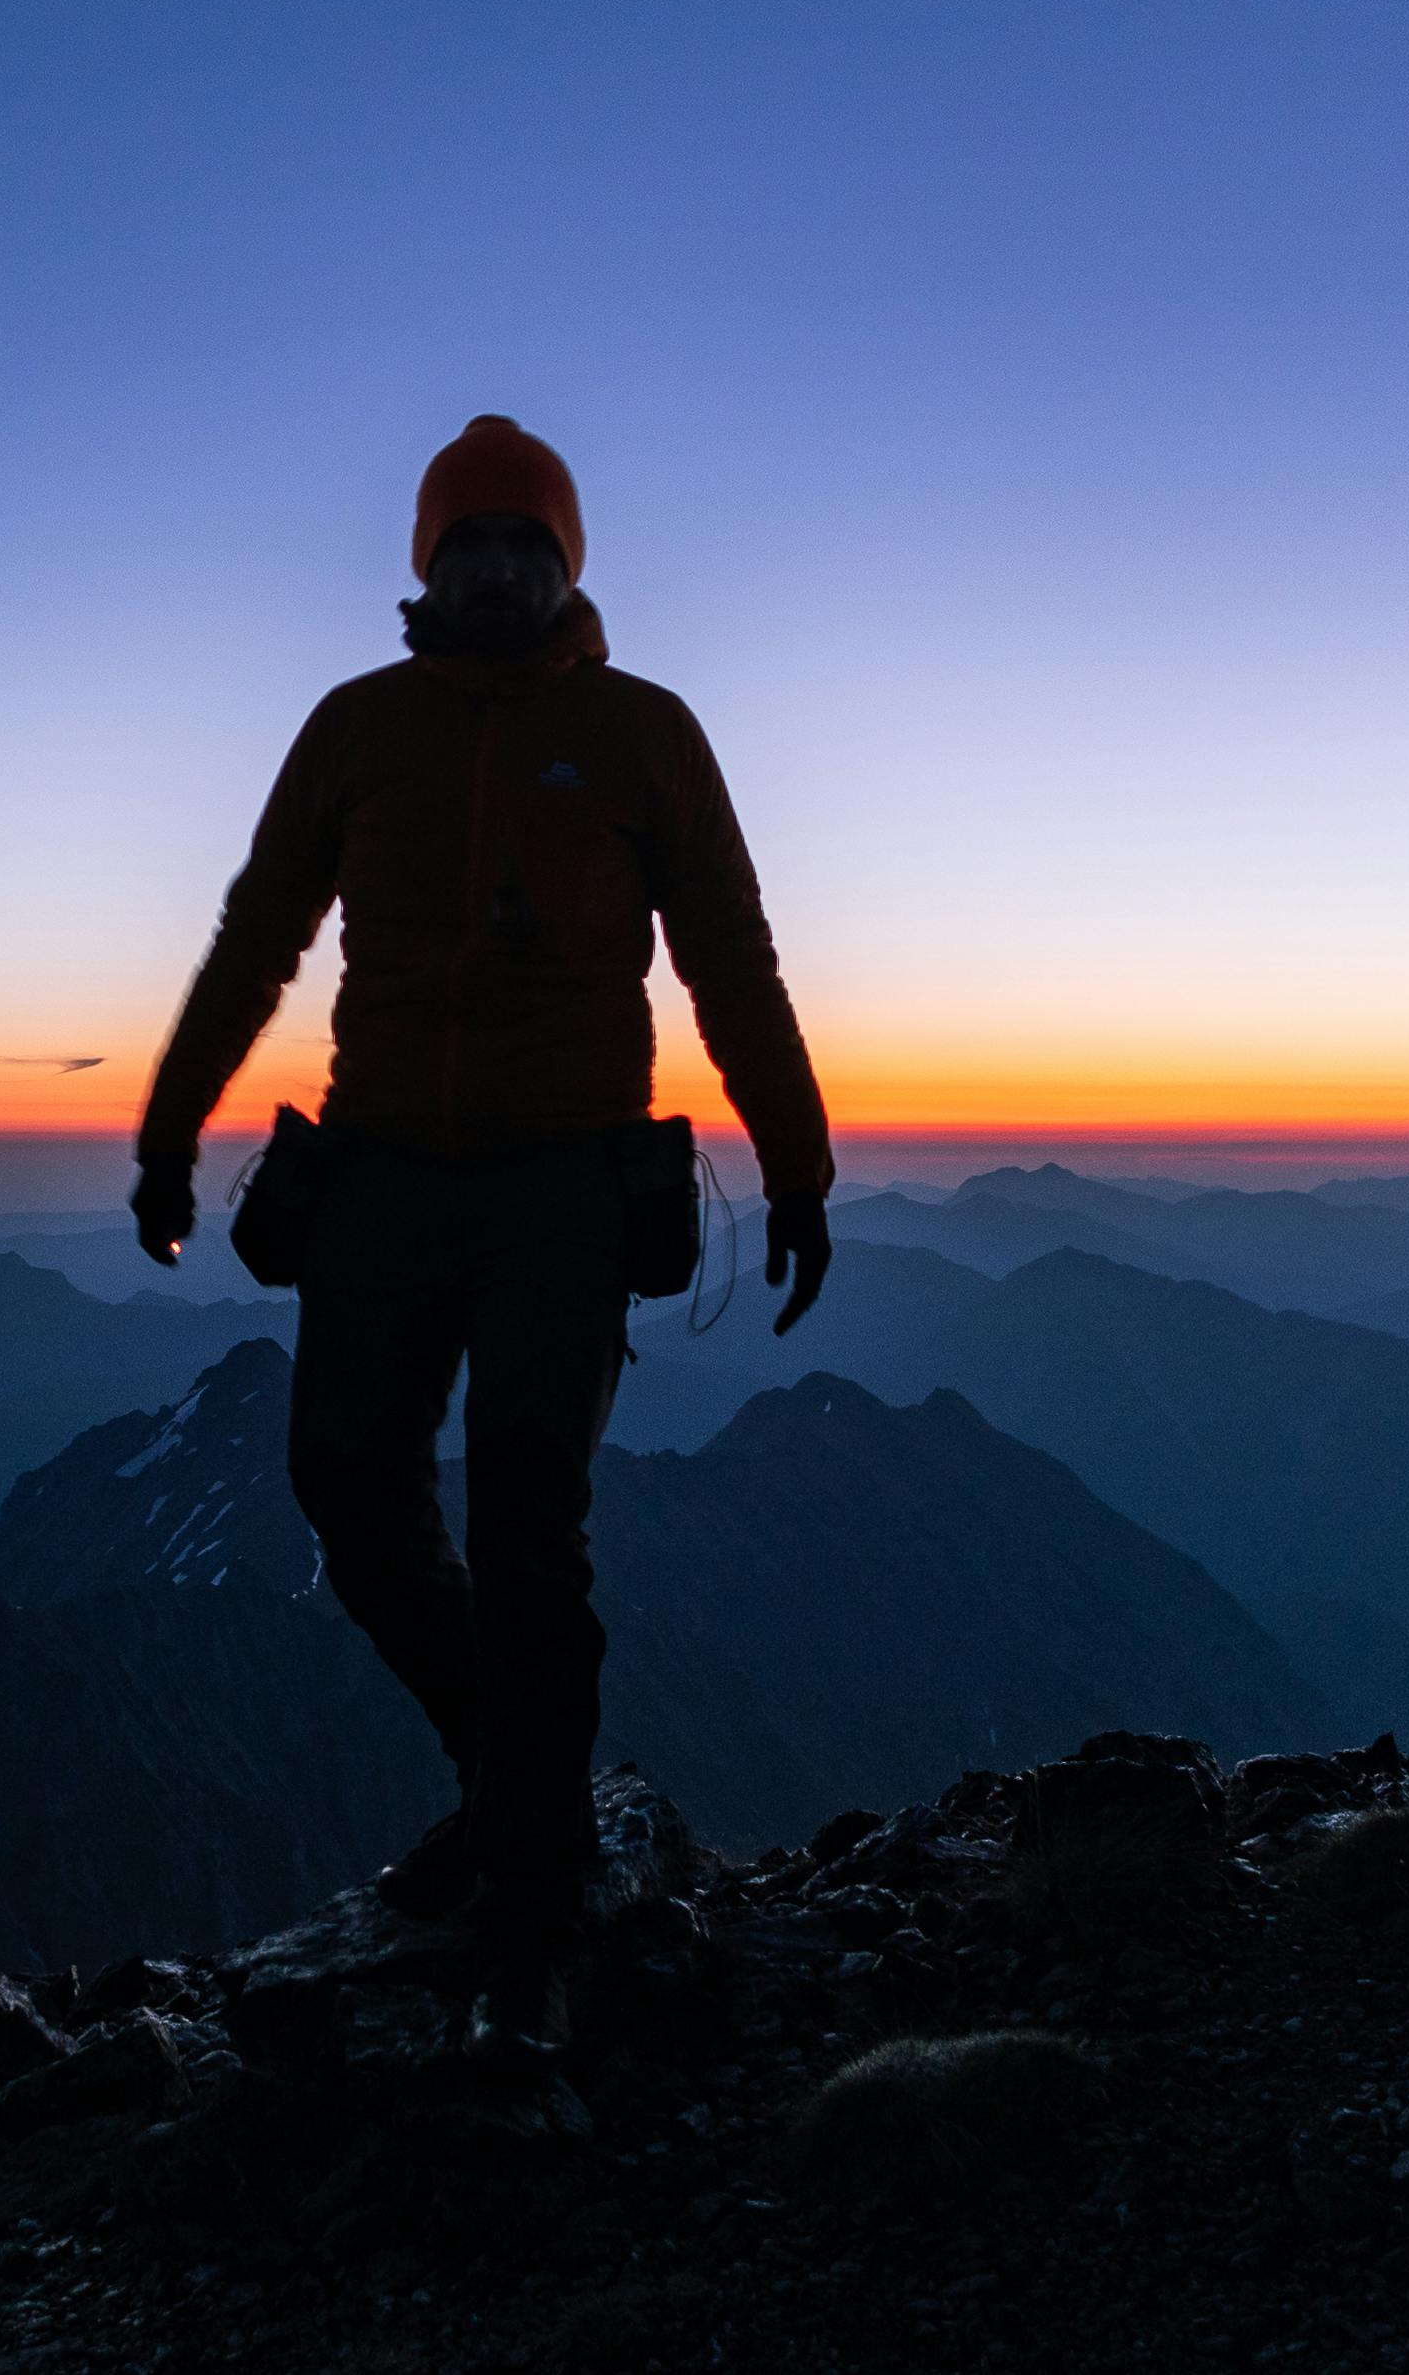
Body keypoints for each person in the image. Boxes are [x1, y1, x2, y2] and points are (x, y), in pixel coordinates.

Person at [130, 413, 835, 2054]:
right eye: (469, 543)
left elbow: (732, 959)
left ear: (566, 565)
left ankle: (535, 1905)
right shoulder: (357, 729)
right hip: (377, 1170)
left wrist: (794, 1167)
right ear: (425, 565)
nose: (498, 567)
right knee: (341, 1483)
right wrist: (171, 1135)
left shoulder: (643, 732)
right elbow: (256, 942)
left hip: (565, 1185)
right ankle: (518, 1785)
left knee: (527, 1503)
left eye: (527, 543)